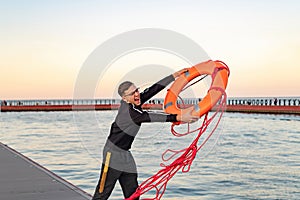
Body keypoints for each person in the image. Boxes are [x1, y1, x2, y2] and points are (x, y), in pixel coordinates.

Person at [92, 69, 199, 200]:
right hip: (112, 155)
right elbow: (151, 116)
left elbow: (153, 89)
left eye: (136, 90)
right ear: (124, 98)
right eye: (132, 94)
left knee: (133, 192)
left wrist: (173, 76)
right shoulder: (130, 113)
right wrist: (179, 116)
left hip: (125, 154)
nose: (137, 94)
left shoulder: (135, 101)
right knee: (102, 194)